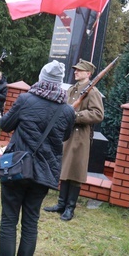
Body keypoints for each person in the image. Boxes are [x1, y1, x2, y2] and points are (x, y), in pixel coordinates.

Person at [0, 60, 75, 256]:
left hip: (17, 166)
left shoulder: (26, 99)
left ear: (42, 78)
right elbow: (65, 136)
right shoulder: (67, 110)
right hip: (45, 171)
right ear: (59, 83)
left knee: (9, 219)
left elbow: (5, 125)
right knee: (31, 222)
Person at [43, 59, 104, 221]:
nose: (75, 72)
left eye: (79, 70)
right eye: (75, 70)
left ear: (88, 74)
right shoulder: (72, 89)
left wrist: (75, 116)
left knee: (75, 171)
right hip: (67, 134)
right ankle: (61, 204)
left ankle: (70, 207)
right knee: (65, 169)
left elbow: (98, 114)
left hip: (80, 136)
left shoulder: (93, 92)